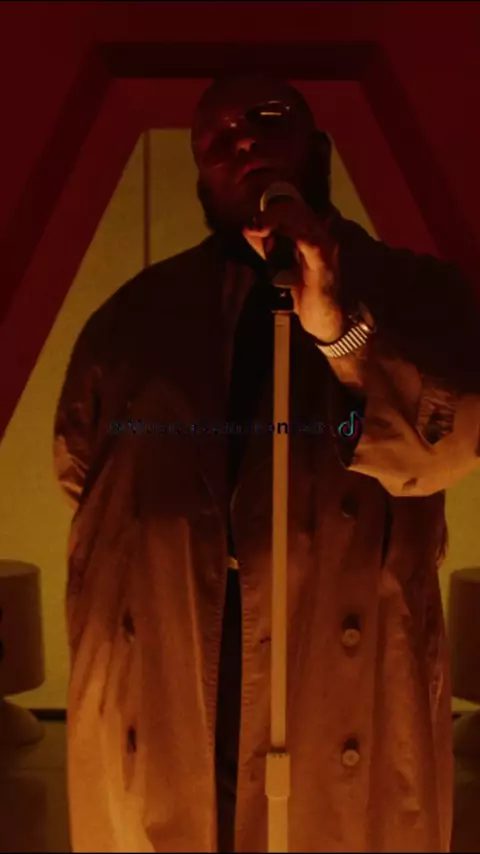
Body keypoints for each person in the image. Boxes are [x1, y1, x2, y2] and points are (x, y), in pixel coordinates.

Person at [54, 71, 480, 853]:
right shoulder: (135, 319)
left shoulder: (417, 293)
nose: (243, 139)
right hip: (182, 668)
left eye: (266, 117)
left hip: (333, 678)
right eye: (216, 139)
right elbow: (81, 472)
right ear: (200, 179)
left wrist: (341, 335)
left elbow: (448, 445)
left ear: (316, 146)